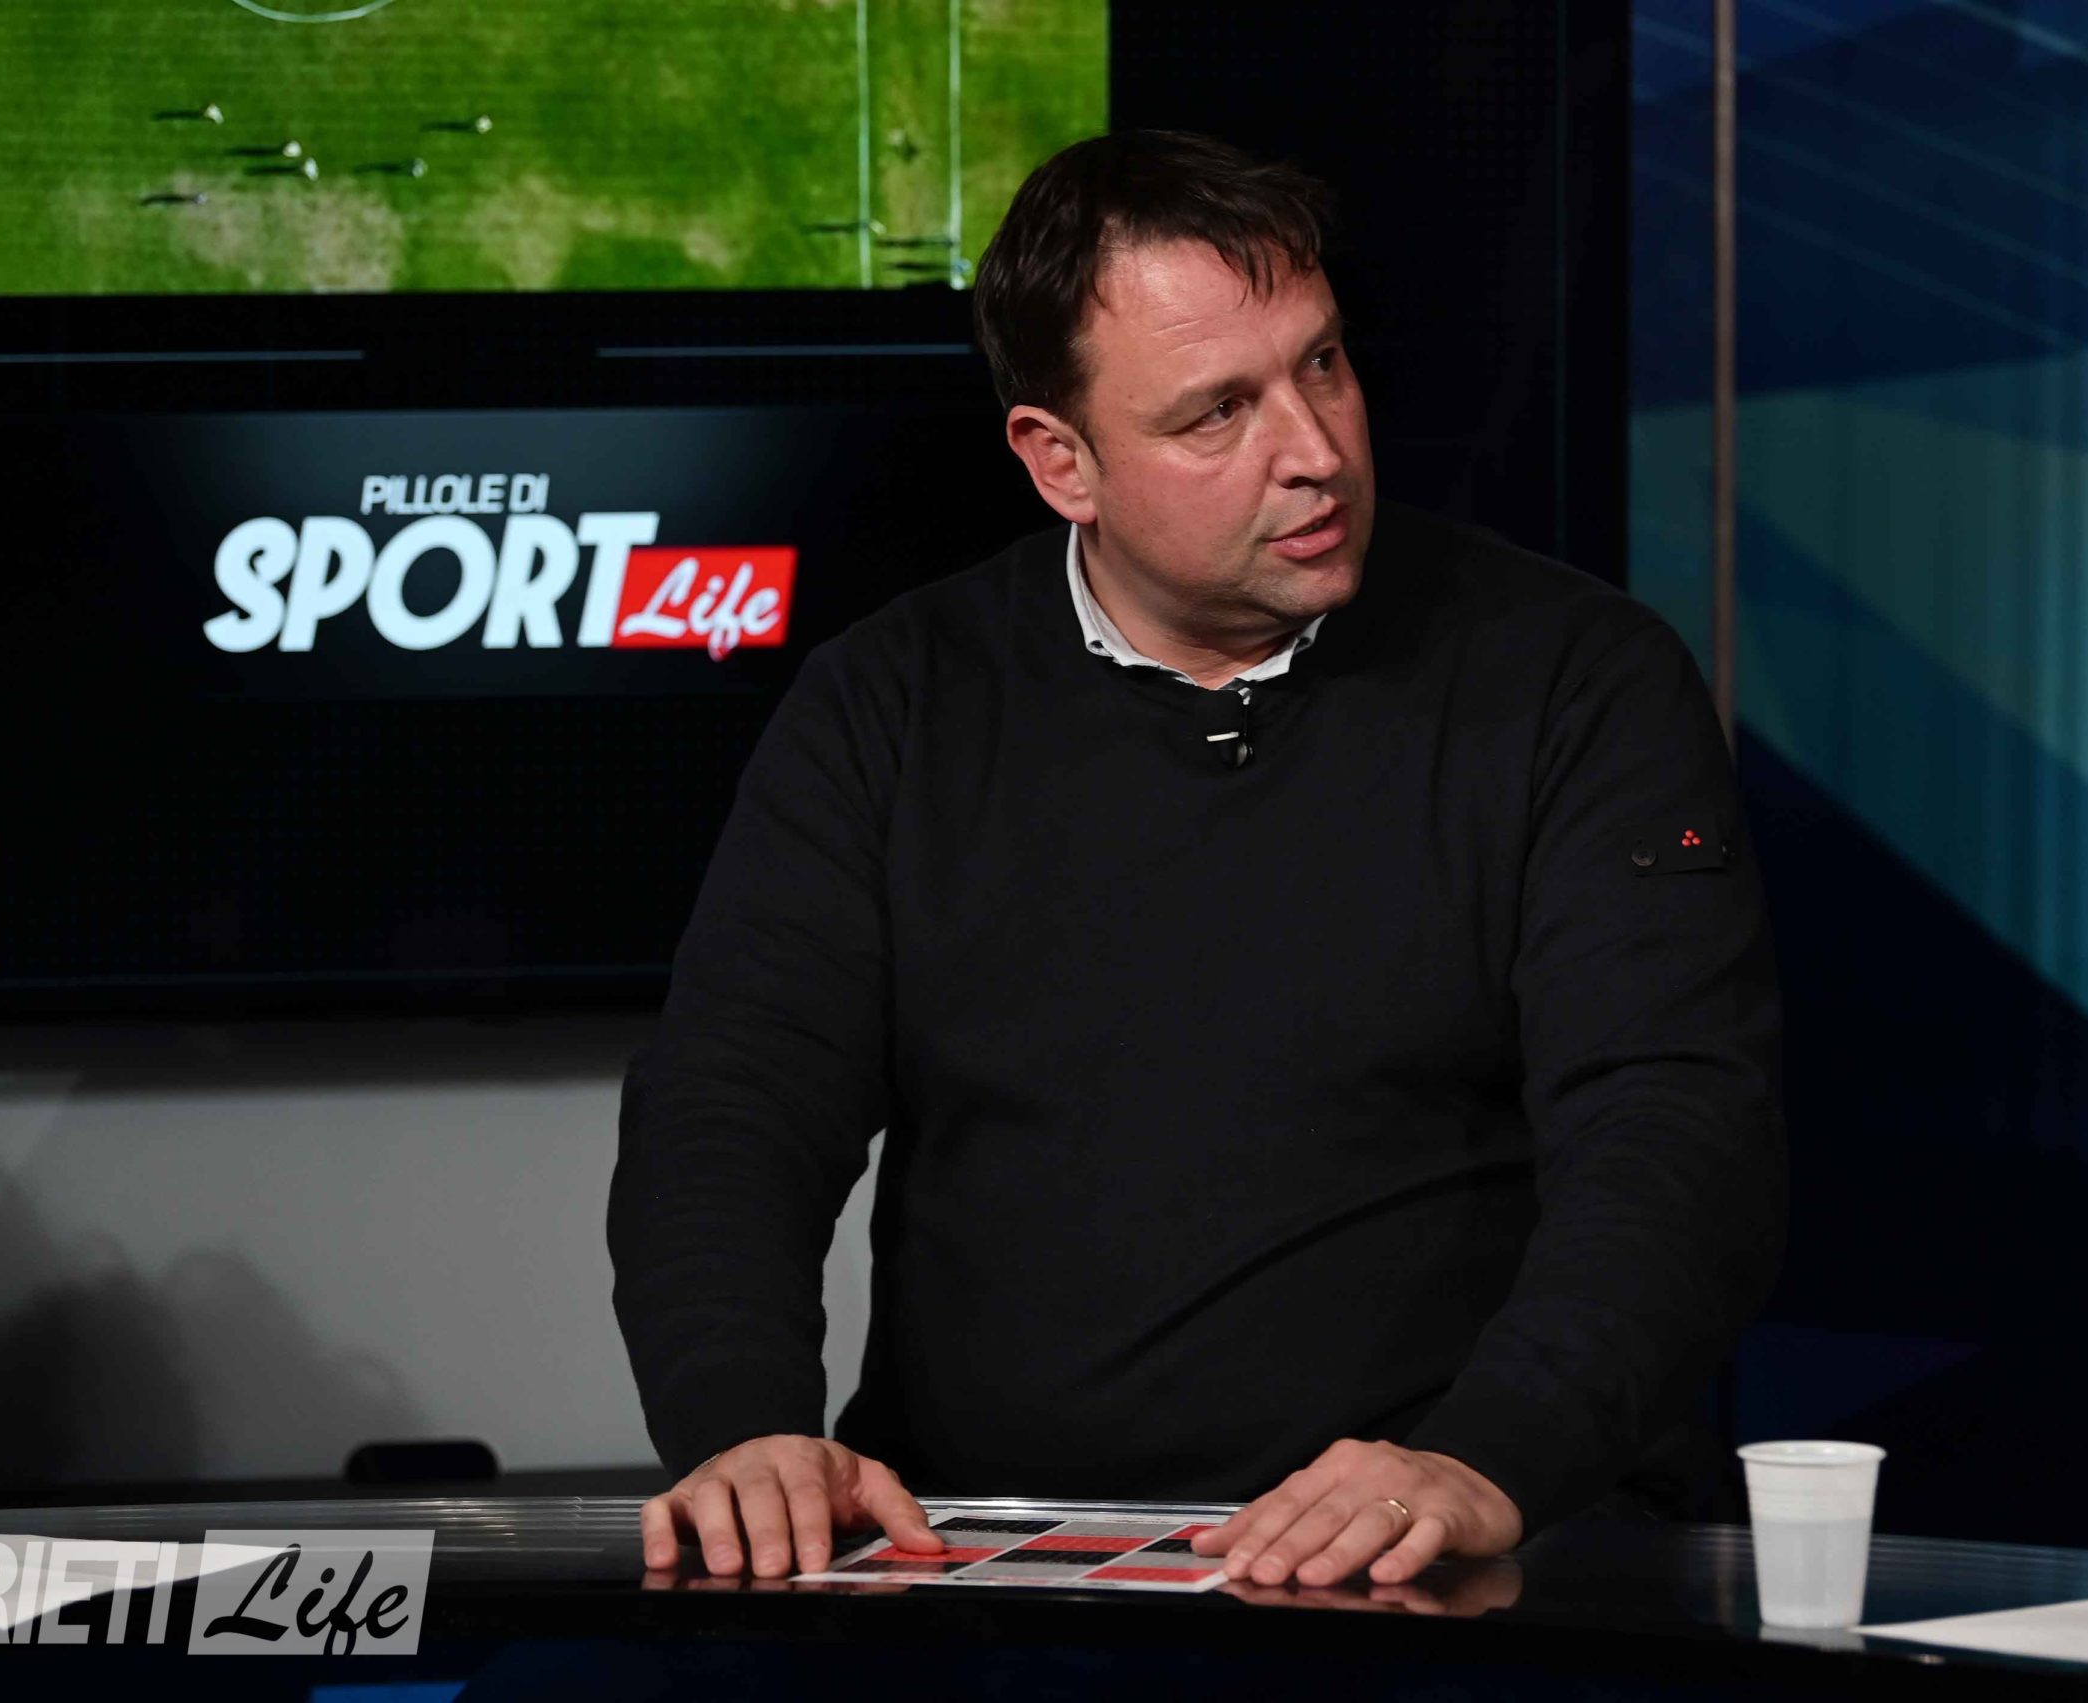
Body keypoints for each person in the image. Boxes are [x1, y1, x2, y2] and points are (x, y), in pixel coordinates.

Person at [609, 129, 1785, 1591]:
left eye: (1323, 365)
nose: (1315, 450)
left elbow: (1678, 1133)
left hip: (1457, 1555)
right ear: (1062, 462)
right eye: (1218, 412)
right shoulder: (889, 705)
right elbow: (732, 1106)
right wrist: (743, 1426)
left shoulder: (1577, 681)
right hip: (995, 1565)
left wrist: (1488, 1458)